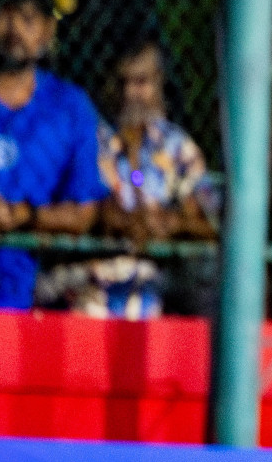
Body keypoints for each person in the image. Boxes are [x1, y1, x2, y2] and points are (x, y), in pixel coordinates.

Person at [40, 38, 216, 319]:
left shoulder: (175, 146)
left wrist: (171, 223)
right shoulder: (86, 136)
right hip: (87, 288)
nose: (128, 93)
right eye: (120, 82)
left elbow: (212, 219)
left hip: (154, 290)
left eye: (140, 82)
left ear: (160, 84)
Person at [0, 0, 104, 309]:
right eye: (2, 17)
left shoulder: (70, 107)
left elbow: (84, 211)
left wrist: (23, 216)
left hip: (34, 285)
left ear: (47, 31)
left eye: (27, 19)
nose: (14, 31)